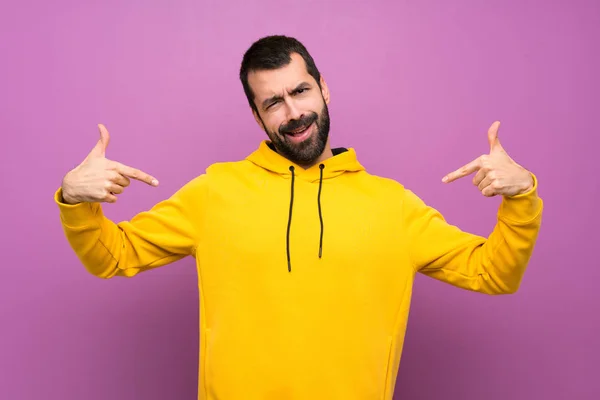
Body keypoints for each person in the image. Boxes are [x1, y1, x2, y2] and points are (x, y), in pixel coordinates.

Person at [55, 35, 543, 400]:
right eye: (273, 102)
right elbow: (112, 257)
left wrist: (520, 198)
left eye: (301, 91)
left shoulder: (392, 205)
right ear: (258, 116)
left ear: (323, 88)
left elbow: (493, 272)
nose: (293, 112)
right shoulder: (215, 192)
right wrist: (77, 202)